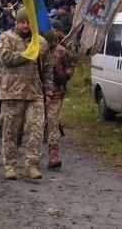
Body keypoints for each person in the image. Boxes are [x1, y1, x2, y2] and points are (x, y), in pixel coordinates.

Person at [0, 8, 53, 180]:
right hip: (12, 93)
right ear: (16, 22)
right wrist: (27, 54)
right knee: (10, 132)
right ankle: (10, 165)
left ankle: (31, 165)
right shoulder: (6, 38)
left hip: (34, 93)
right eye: (22, 22)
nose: (25, 26)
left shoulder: (41, 42)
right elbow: (5, 58)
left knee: (35, 130)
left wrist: (48, 91)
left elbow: (47, 68)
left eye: (28, 22)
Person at [44, 21, 77, 170]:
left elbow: (70, 66)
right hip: (37, 93)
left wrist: (65, 76)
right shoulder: (37, 50)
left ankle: (53, 155)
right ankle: (30, 156)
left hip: (56, 93)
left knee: (52, 123)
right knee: (35, 125)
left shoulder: (61, 51)